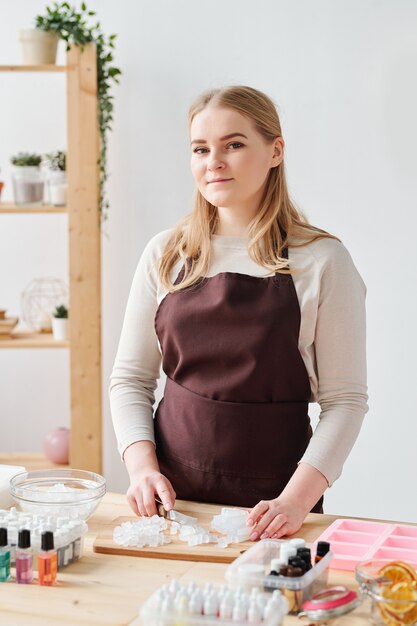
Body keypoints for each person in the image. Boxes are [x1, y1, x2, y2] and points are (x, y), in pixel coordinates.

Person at [110, 85, 368, 540]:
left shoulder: (323, 260)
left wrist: (296, 500)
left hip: (276, 508)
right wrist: (141, 469)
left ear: (275, 151)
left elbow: (345, 402)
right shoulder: (164, 254)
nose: (214, 161)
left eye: (234, 144)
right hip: (169, 500)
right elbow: (130, 378)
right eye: (200, 149)